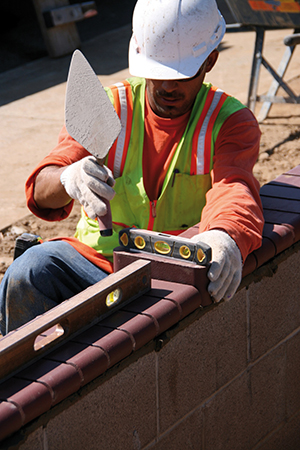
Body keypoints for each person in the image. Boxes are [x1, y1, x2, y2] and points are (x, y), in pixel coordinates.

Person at [0, 0, 264, 336]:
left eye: (181, 75)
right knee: (30, 271)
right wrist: (69, 178)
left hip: (171, 279)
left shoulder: (230, 122)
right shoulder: (110, 106)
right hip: (98, 266)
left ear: (209, 61)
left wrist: (226, 235)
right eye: (157, 72)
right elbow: (41, 190)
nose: (167, 87)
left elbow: (235, 190)